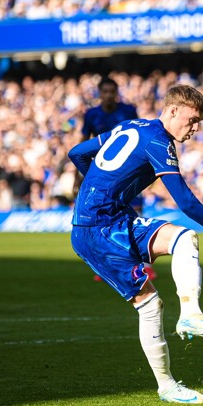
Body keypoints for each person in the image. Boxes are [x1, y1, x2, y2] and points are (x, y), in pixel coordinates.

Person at [68, 84, 203, 404]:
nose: (195, 128)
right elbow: (187, 205)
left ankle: (190, 314)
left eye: (200, 122)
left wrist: (100, 189)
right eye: (192, 119)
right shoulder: (158, 140)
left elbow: (77, 153)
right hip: (96, 232)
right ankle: (167, 385)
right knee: (150, 305)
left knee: (183, 237)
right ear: (173, 110)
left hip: (113, 220)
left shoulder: (132, 126)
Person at [75, 77, 157, 281]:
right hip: (102, 174)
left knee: (135, 216)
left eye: (112, 91)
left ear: (117, 92)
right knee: (104, 220)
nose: (109, 95)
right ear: (100, 93)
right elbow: (82, 143)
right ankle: (108, 265)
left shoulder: (128, 111)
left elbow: (140, 135)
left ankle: (144, 266)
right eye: (105, 91)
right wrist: (79, 176)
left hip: (128, 173)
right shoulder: (92, 114)